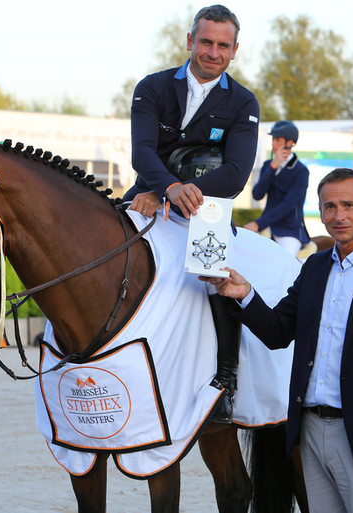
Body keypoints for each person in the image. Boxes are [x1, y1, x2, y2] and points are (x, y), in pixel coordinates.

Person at [202, 168, 353, 513]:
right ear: (319, 213)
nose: (338, 216)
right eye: (329, 207)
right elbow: (277, 332)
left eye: (348, 205)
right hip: (310, 432)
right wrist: (244, 294)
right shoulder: (314, 268)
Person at [123, 4, 259, 423]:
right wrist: (163, 189)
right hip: (150, 190)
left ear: (234, 51)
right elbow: (142, 151)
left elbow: (235, 174)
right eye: (205, 42)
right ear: (189, 42)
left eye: (222, 45)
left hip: (207, 207)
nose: (212, 52)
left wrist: (177, 193)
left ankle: (226, 379)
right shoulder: (152, 87)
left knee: (218, 274)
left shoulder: (243, 102)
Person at [243, 120, 310, 257]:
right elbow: (257, 194)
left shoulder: (301, 171)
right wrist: (273, 167)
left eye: (278, 140)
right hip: (267, 227)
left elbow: (289, 204)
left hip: (289, 231)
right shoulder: (268, 165)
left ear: (290, 143)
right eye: (273, 139)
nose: (273, 143)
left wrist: (258, 223)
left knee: (284, 262)